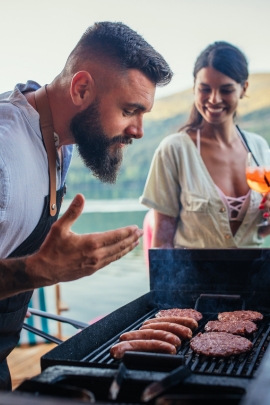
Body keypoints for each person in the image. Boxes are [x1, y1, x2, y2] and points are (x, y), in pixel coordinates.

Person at [0, 21, 173, 389]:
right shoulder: (4, 153)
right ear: (81, 89)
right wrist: (37, 271)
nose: (139, 130)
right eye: (130, 110)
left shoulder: (57, 138)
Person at [140, 41, 269, 249]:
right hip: (194, 280)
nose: (214, 99)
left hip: (254, 279)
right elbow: (163, 239)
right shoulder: (174, 150)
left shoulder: (259, 147)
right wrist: (163, 281)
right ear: (194, 88)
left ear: (243, 88)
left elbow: (261, 231)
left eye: (226, 90)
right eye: (205, 89)